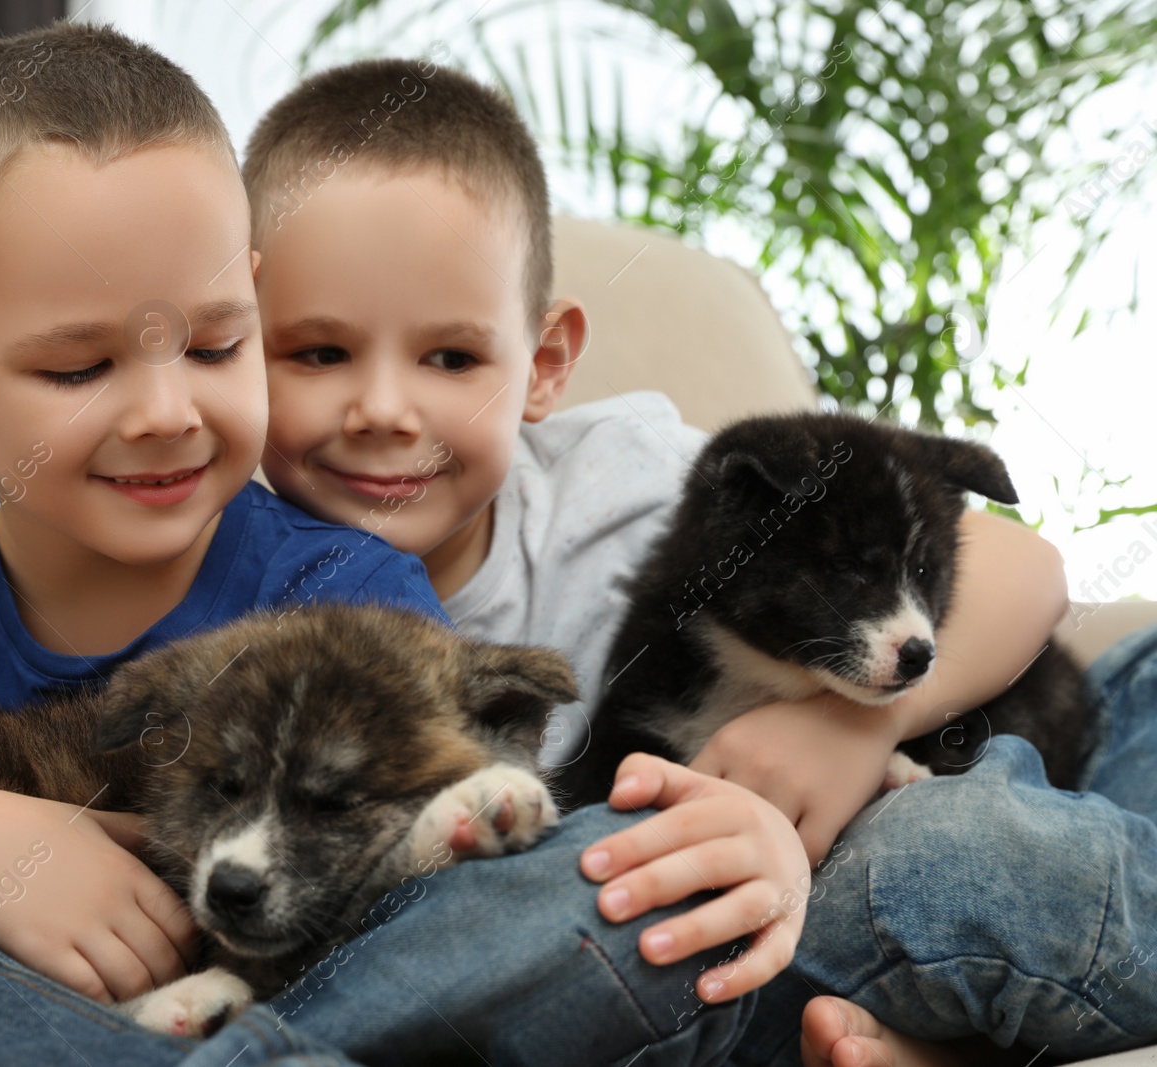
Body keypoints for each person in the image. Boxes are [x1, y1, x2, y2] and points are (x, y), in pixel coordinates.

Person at [0, 20, 810, 1067]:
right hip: (3, 1015)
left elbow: (444, 898)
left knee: (624, 885)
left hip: (332, 991)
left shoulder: (340, 585)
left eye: (218, 344)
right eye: (81, 365)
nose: (166, 410)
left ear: (254, 300)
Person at [240, 55, 1157, 1065]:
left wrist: (853, 723)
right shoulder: (231, 578)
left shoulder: (616, 473)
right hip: (786, 895)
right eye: (318, 353)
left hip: (1025, 737)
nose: (382, 409)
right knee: (949, 853)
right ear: (233, 339)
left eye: (450, 357)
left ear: (543, 364)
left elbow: (1021, 563)